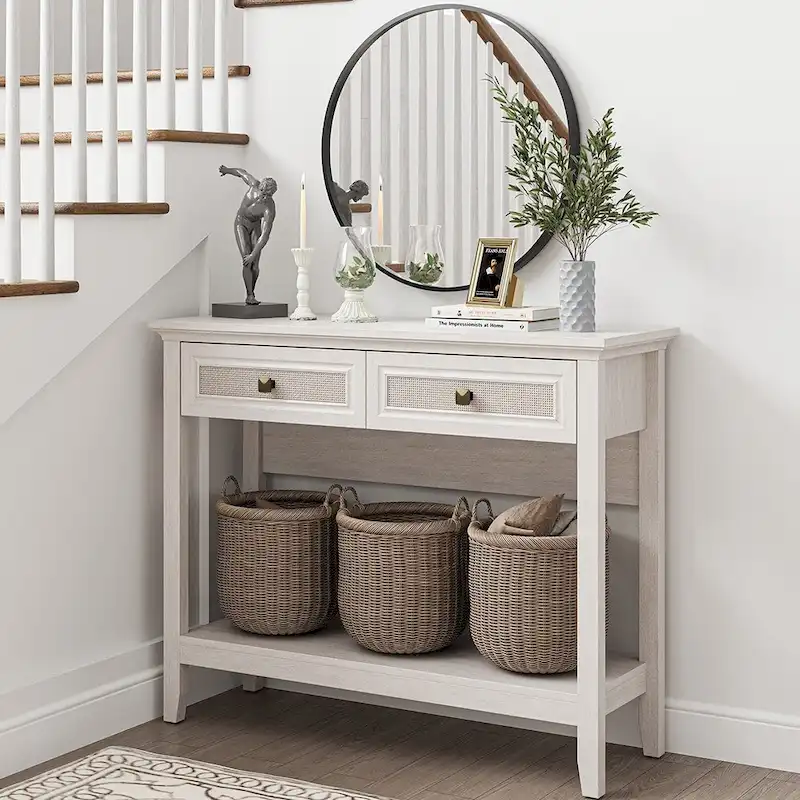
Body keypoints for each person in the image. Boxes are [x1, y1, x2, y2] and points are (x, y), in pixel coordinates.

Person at [219, 165, 278, 306]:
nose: (264, 197)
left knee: (255, 265)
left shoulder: (269, 208)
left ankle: (252, 292)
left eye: (268, 195)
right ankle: (250, 295)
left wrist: (254, 254)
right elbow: (241, 172)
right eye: (263, 193)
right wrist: (227, 170)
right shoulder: (253, 184)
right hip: (241, 223)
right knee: (246, 259)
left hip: (255, 225)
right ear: (260, 188)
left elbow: (265, 235)